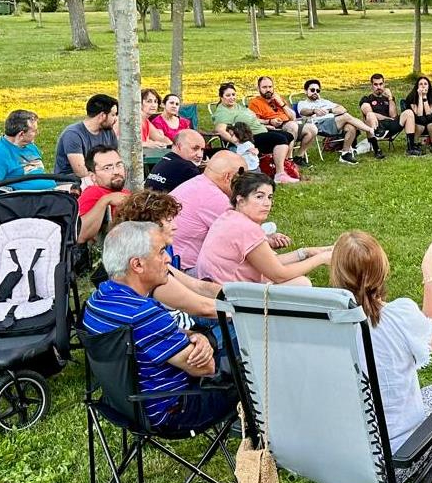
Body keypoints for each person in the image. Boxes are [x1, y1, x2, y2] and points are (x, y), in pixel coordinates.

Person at [82, 222, 236, 433]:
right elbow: (206, 368)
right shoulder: (144, 313)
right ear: (137, 265)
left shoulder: (97, 300)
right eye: (161, 252)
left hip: (125, 405)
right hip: (175, 412)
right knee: (251, 359)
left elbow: (144, 335)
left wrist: (195, 336)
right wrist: (206, 343)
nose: (168, 258)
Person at [330, 231, 432, 449]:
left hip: (342, 455)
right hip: (398, 459)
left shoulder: (320, 325)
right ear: (382, 271)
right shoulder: (399, 317)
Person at [194, 173, 333, 286]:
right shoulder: (246, 228)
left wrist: (306, 253)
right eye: (259, 197)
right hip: (229, 306)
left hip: (216, 293)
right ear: (241, 200)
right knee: (301, 284)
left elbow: (270, 262)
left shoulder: (229, 217)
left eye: (270, 197)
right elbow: (279, 275)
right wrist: (320, 259)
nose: (267, 203)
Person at [171, 151, 290, 272]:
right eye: (243, 176)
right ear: (228, 177)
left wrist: (265, 238)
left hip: (172, 264)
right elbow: (246, 239)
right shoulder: (215, 199)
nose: (247, 183)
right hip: (189, 271)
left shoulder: (196, 184)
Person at [115, 191, 223, 325]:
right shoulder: (148, 269)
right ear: (150, 224)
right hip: (177, 333)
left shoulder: (150, 257)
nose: (175, 226)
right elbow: (204, 308)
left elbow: (199, 286)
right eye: (168, 220)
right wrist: (247, 308)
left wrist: (237, 295)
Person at [211, 82, 296, 183]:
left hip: (261, 131)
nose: (232, 97)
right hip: (249, 139)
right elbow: (220, 130)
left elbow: (253, 119)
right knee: (280, 139)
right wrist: (238, 143)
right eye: (228, 95)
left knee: (288, 136)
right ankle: (279, 174)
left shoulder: (237, 106)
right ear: (221, 97)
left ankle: (282, 166)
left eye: (233, 95)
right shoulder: (223, 112)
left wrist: (267, 123)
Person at [295, 79, 383, 164]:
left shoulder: (325, 102)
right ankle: (371, 130)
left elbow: (342, 109)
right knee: (346, 117)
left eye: (317, 90)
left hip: (334, 122)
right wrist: (314, 111)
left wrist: (329, 110)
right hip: (319, 125)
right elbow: (303, 111)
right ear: (306, 91)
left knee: (350, 127)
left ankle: (345, 154)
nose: (315, 92)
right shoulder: (303, 103)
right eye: (312, 90)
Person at [0, 109, 52, 198]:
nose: (37, 133)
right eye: (34, 131)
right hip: (26, 201)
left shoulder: (30, 147)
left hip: (49, 193)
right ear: (21, 134)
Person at [54, 94, 119, 178]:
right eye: (113, 115)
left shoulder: (108, 132)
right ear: (102, 116)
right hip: (72, 182)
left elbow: (115, 159)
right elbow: (81, 172)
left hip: (101, 178)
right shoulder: (73, 134)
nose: (116, 119)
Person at [249, 76, 313, 162]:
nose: (268, 89)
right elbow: (254, 121)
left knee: (312, 129)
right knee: (292, 126)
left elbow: (293, 117)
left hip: (289, 123)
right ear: (259, 88)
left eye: (270, 87)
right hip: (273, 128)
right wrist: (270, 121)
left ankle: (299, 157)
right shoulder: (255, 102)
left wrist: (281, 103)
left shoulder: (278, 99)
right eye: (264, 87)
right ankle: (288, 160)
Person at [76, 145, 129, 244]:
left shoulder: (126, 192)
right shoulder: (93, 193)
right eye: (107, 168)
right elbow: (81, 235)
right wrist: (105, 200)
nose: (116, 171)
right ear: (93, 176)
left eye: (119, 165)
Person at [144, 128, 205, 193]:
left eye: (202, 150)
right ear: (179, 146)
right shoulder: (188, 169)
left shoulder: (166, 159)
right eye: (195, 149)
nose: (200, 155)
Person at [400, 75, 432, 156]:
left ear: (429, 86)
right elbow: (419, 114)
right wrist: (420, 97)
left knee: (431, 119)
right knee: (421, 119)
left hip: (429, 121)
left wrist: (425, 97)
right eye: (420, 84)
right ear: (417, 86)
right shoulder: (411, 96)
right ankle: (414, 143)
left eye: (425, 84)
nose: (423, 86)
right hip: (415, 123)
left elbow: (429, 112)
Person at [359, 73, 405, 144]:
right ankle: (376, 150)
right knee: (370, 115)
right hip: (378, 127)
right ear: (372, 85)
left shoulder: (389, 99)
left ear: (384, 84)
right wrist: (387, 118)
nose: (378, 87)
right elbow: (369, 114)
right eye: (376, 84)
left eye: (381, 84)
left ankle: (411, 146)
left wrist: (390, 97)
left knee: (408, 113)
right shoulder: (366, 99)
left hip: (391, 126)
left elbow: (393, 116)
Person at [140, 88, 173, 155]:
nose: (153, 105)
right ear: (139, 103)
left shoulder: (146, 121)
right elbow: (122, 143)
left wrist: (172, 145)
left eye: (155, 101)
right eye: (149, 101)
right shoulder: (132, 120)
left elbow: (160, 138)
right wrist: (147, 144)